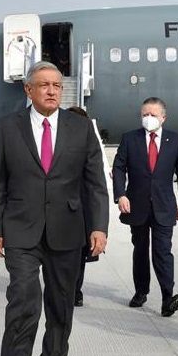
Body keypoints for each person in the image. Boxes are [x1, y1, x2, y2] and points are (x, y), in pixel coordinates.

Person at [0, 61, 109, 356]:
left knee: (60, 304)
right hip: (20, 229)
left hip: (68, 230)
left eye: (56, 85)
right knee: (23, 298)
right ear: (29, 90)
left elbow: (96, 183)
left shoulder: (80, 128)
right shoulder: (8, 128)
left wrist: (99, 226)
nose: (53, 90)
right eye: (44, 85)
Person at [112, 97, 178, 316]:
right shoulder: (130, 138)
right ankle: (141, 291)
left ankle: (168, 297)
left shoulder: (175, 140)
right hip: (136, 206)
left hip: (164, 206)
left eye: (153, 115)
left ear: (163, 117)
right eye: (145, 114)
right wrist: (120, 194)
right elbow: (119, 168)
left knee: (162, 251)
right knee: (140, 250)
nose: (148, 118)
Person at [66, 106, 98, 308]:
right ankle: (72, 290)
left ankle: (75, 291)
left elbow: (97, 182)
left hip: (82, 210)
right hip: (67, 209)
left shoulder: (89, 146)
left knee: (79, 256)